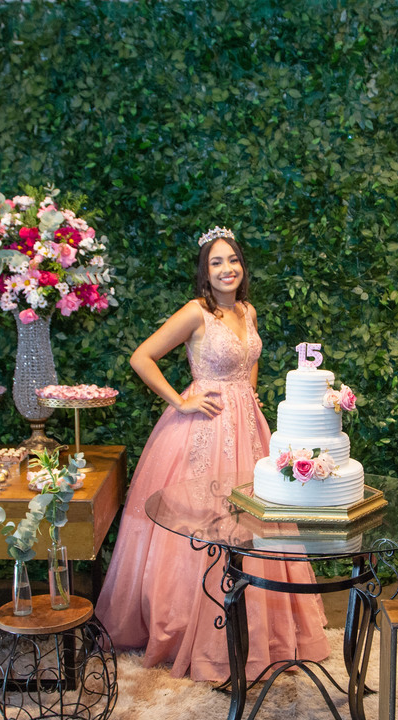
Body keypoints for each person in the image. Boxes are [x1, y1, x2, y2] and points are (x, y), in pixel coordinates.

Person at [95, 227, 329, 681]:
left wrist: (250, 396)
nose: (227, 269)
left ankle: (261, 629)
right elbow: (142, 357)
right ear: (205, 272)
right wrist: (181, 401)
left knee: (254, 525)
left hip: (249, 428)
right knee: (202, 523)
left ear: (242, 266)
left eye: (233, 260)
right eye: (216, 262)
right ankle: (195, 630)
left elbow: (249, 360)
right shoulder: (195, 312)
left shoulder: (247, 310)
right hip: (203, 429)